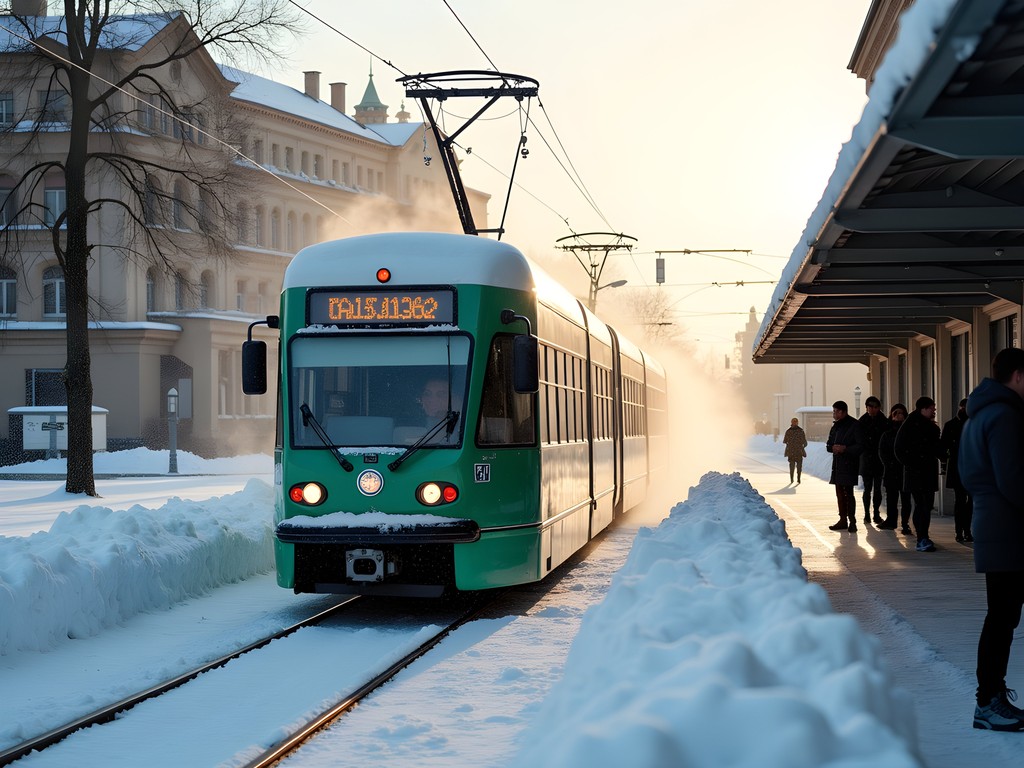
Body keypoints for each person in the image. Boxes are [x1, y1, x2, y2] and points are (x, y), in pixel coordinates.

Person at [959, 348, 1024, 731]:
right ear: (1017, 376)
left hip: (996, 528)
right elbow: (1014, 479)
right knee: (1001, 620)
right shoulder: (1004, 416)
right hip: (1010, 532)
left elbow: (973, 478)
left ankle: (989, 700)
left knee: (1001, 618)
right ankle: (988, 702)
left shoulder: (979, 416)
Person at [894, 396, 941, 552]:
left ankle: (923, 536)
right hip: (917, 472)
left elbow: (936, 448)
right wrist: (912, 463)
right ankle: (922, 537)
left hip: (926, 471)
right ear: (923, 409)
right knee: (922, 505)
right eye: (932, 408)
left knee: (925, 506)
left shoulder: (930, 427)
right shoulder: (910, 426)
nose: (934, 411)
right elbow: (899, 449)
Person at [826, 400, 864, 532]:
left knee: (848, 493)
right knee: (839, 494)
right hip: (837, 464)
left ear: (842, 412)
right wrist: (833, 448)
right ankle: (843, 519)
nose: (834, 414)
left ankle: (852, 520)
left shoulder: (855, 425)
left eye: (835, 411)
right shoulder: (835, 427)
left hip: (849, 464)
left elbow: (860, 446)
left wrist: (845, 449)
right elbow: (828, 445)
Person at [941, 398, 973, 543]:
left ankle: (966, 531)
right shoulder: (952, 425)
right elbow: (943, 447)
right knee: (961, 501)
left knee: (968, 501)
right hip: (959, 467)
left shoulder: (972, 423)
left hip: (970, 467)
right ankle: (960, 531)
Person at [877, 403, 911, 532]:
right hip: (891, 470)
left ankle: (905, 523)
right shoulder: (887, 434)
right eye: (896, 413)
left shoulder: (908, 432)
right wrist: (889, 464)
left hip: (905, 470)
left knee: (906, 499)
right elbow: (882, 452)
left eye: (901, 413)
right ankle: (891, 521)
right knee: (891, 499)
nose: (899, 416)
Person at [858, 395, 889, 526]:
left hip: (879, 460)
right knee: (867, 489)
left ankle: (876, 513)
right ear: (867, 407)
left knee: (877, 489)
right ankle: (866, 514)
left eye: (876, 407)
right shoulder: (861, 422)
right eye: (871, 407)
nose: (873, 409)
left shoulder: (884, 421)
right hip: (866, 460)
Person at [783, 417, 808, 484]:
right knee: (799, 466)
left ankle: (792, 479)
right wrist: (802, 446)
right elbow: (805, 442)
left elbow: (785, 441)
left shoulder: (788, 431)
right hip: (799, 451)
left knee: (792, 466)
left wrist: (790, 444)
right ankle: (798, 478)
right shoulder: (801, 431)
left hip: (791, 451)